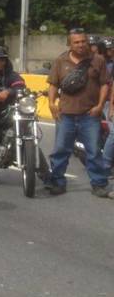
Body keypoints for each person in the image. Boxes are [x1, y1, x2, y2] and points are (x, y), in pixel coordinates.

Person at [45, 29, 110, 197]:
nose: (81, 45)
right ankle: (57, 182)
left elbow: (105, 84)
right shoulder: (61, 61)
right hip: (65, 114)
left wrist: (100, 105)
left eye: (83, 41)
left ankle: (99, 184)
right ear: (70, 44)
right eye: (76, 42)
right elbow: (53, 84)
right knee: (60, 150)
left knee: (93, 151)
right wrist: (51, 104)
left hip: (90, 115)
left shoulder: (98, 60)